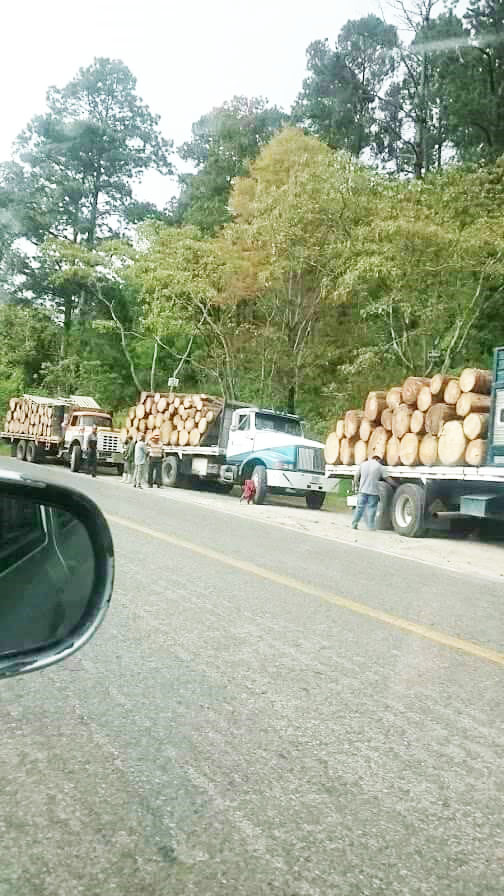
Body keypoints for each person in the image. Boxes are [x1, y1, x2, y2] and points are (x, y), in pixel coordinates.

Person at [352, 455, 392, 531]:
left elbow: (356, 476)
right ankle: (371, 526)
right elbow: (387, 479)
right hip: (373, 492)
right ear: (378, 460)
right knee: (372, 508)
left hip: (362, 490)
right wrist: (395, 484)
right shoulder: (380, 467)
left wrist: (356, 486)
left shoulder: (363, 464)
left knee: (359, 508)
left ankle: (354, 524)